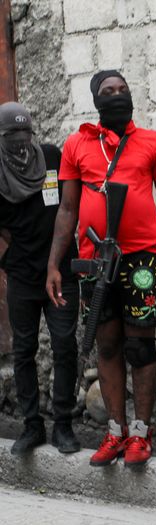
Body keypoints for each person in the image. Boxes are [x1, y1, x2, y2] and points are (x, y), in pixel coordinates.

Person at [46, 69, 156, 467]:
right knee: (105, 343)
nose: (117, 95)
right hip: (94, 258)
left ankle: (141, 432)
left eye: (122, 90)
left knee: (139, 345)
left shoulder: (153, 142)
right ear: (96, 99)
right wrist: (54, 264)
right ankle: (115, 431)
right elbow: (68, 209)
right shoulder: (76, 145)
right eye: (108, 91)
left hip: (143, 255)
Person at [0, 102, 80, 455]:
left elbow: (69, 205)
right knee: (24, 350)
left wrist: (53, 258)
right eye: (11, 135)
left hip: (61, 269)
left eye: (25, 132)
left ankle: (63, 425)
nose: (20, 140)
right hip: (21, 274)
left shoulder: (51, 157)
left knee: (64, 345)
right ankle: (32, 425)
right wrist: (21, 243)